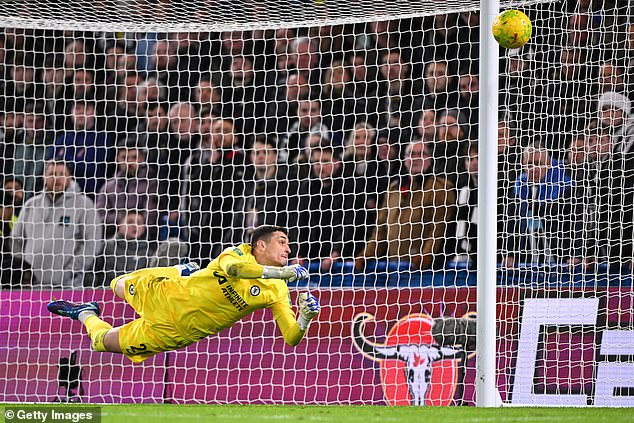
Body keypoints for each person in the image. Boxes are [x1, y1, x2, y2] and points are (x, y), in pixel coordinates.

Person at [47, 226, 320, 363]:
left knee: (101, 342)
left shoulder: (277, 291)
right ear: (260, 245)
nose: (288, 250)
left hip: (175, 332)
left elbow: (292, 338)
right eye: (282, 242)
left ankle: (84, 312)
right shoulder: (238, 253)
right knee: (117, 283)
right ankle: (178, 270)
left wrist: (305, 318)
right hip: (166, 295)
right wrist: (282, 273)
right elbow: (235, 269)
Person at [11, 161, 103, 288]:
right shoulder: (31, 204)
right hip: (30, 287)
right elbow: (16, 239)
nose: (57, 178)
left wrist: (70, 271)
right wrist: (22, 269)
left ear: (69, 177)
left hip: (67, 287)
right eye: (52, 173)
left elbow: (93, 243)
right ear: (44, 177)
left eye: (62, 174)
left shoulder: (84, 205)